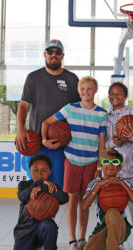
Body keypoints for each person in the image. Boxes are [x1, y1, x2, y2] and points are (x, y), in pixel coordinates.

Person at [42, 76, 107, 250]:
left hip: (91, 163)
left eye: (89, 89)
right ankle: (71, 240)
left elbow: (102, 144)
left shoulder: (102, 114)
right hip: (72, 160)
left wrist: (99, 167)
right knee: (72, 200)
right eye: (82, 89)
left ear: (95, 90)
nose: (86, 92)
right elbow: (46, 122)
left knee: (84, 203)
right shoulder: (70, 109)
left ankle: (81, 238)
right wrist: (44, 139)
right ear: (79, 91)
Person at [15, 39, 80, 188]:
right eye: (50, 52)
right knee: (36, 188)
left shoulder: (71, 79)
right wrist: (21, 129)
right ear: (45, 54)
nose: (54, 55)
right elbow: (23, 106)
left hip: (60, 144)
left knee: (56, 189)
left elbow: (77, 111)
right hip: (35, 142)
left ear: (62, 55)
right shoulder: (33, 77)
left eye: (57, 52)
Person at [81, 148, 133, 250]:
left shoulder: (124, 182)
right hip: (102, 228)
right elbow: (84, 206)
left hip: (120, 228)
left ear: (119, 167)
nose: (110, 166)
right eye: (106, 162)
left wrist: (122, 184)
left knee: (112, 212)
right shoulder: (95, 183)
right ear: (100, 166)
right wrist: (98, 186)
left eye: (114, 162)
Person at [105, 82, 133, 250]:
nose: (115, 96)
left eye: (119, 93)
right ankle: (118, 241)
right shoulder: (105, 117)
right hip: (114, 171)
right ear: (108, 96)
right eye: (112, 93)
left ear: (125, 96)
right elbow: (105, 145)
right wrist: (115, 141)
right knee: (115, 208)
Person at [12, 154, 68, 250]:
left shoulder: (52, 187)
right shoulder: (24, 185)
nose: (40, 174)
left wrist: (44, 187)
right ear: (30, 170)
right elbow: (22, 196)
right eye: (35, 170)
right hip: (24, 231)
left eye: (44, 171)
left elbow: (64, 198)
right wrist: (38, 185)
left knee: (49, 225)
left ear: (50, 171)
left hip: (42, 229)